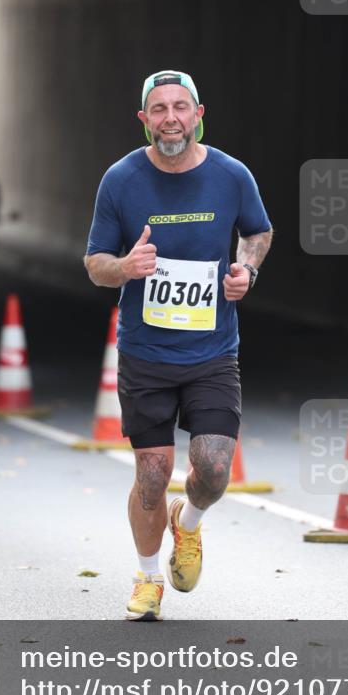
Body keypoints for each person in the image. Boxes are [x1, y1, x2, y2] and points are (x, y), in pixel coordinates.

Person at [84, 70, 272, 620]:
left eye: (180, 107)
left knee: (212, 470)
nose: (171, 118)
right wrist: (125, 266)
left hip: (213, 351)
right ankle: (147, 579)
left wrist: (246, 271)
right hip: (146, 355)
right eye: (159, 109)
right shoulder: (120, 179)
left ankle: (186, 524)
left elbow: (257, 231)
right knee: (151, 474)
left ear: (198, 114)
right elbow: (95, 262)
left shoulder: (232, 175)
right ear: (144, 119)